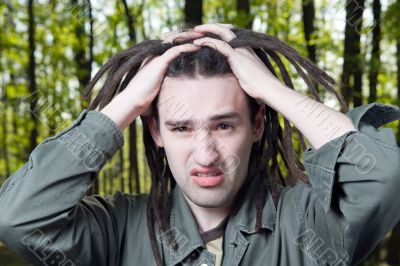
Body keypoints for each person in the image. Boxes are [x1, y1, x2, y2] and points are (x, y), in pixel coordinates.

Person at [0, 23, 399, 266]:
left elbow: (385, 177)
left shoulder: (309, 224)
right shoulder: (115, 230)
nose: (206, 154)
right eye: (181, 128)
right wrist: (124, 105)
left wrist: (270, 89)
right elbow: (18, 218)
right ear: (155, 132)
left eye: (224, 126)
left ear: (258, 124)